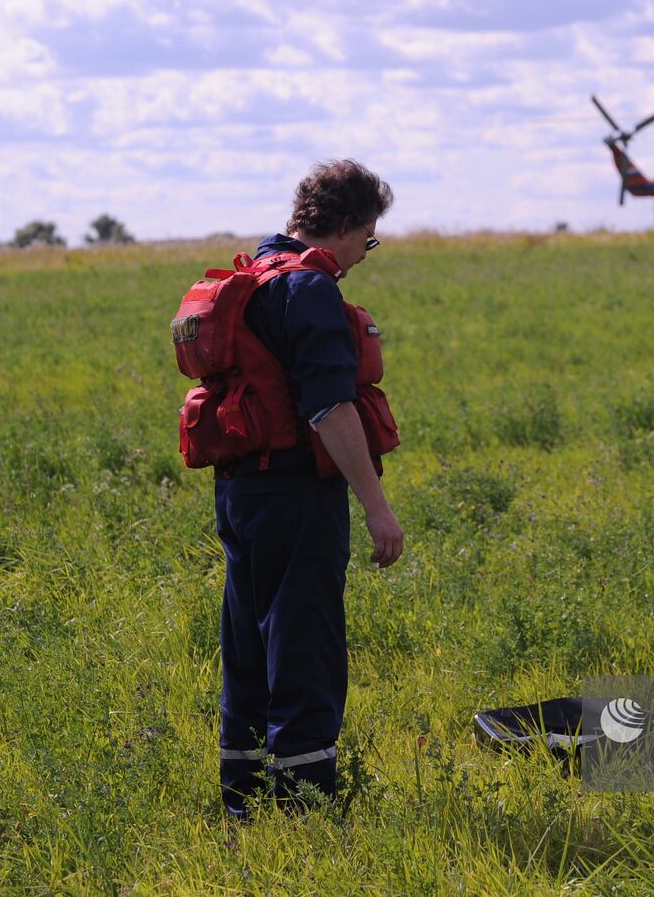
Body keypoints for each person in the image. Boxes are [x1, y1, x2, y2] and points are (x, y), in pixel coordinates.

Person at [215, 158, 404, 817]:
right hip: (297, 496)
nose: (364, 254)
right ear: (345, 227)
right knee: (305, 641)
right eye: (367, 240)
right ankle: (306, 811)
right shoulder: (312, 288)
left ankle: (244, 801)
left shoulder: (255, 274)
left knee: (248, 643)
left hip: (241, 492)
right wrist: (376, 508)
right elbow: (331, 409)